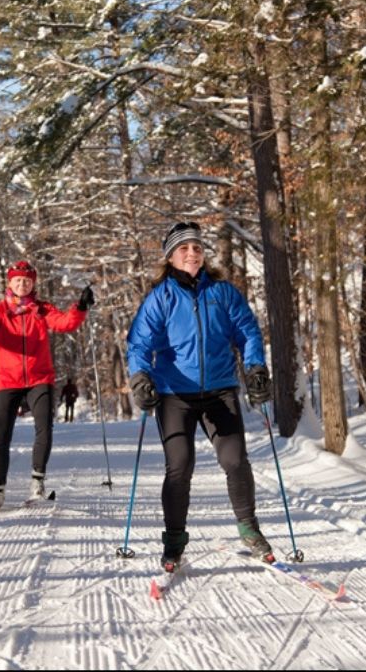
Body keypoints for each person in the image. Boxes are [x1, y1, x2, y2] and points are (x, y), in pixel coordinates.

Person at [126, 221, 274, 572]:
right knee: (179, 467)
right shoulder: (160, 297)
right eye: (183, 249)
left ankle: (249, 530)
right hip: (174, 394)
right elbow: (140, 342)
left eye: (196, 247)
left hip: (220, 390)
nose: (192, 253)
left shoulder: (222, 292)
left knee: (235, 461)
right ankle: (174, 541)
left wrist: (255, 367)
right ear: (171, 257)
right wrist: (140, 377)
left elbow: (248, 330)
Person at [0, 261, 95, 509]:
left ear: (33, 283)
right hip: (7, 380)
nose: (22, 284)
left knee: (44, 428)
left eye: (27, 280)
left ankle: (37, 485)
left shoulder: (42, 309)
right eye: (17, 280)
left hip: (39, 378)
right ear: (10, 283)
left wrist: (80, 306)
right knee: (1, 436)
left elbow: (65, 322)